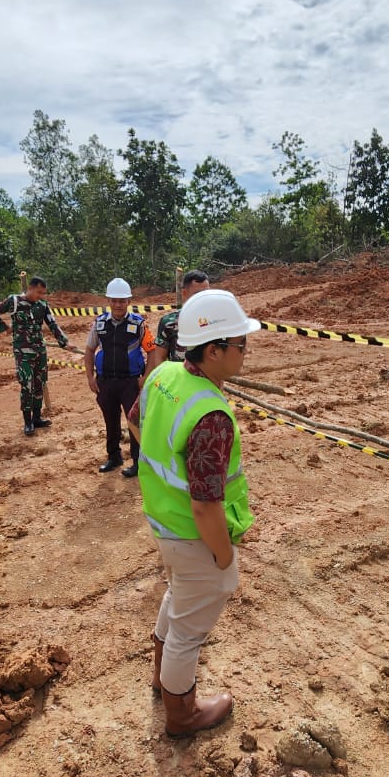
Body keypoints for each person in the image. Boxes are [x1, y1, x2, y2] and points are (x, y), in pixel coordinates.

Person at [135, 289, 260, 737]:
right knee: (190, 627)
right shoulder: (211, 414)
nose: (246, 351)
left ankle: (161, 679)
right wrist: (225, 557)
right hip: (192, 534)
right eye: (240, 343)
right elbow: (206, 505)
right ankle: (181, 714)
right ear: (214, 350)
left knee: (178, 598)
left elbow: (135, 420)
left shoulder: (163, 375)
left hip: (164, 523)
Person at [84, 277, 154, 476]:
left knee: (134, 422)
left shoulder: (139, 324)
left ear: (129, 302)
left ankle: (138, 463)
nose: (117, 304)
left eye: (122, 301)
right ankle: (114, 456)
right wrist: (90, 378)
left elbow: (153, 351)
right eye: (114, 300)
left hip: (130, 382)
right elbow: (89, 350)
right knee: (110, 420)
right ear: (108, 301)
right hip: (105, 382)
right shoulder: (99, 324)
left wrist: (145, 378)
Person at [0, 276, 68, 437]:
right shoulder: (14, 301)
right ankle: (27, 421)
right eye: (39, 292)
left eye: (43, 293)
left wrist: (64, 342)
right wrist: (4, 328)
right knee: (27, 384)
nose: (41, 296)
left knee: (39, 384)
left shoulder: (42, 305)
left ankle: (37, 418)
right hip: (23, 353)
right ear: (30, 288)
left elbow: (53, 324)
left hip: (40, 351)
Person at [147, 270, 211, 372]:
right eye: (197, 294)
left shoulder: (215, 321)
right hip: (178, 383)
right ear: (185, 293)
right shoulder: (169, 323)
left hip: (207, 383)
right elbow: (159, 358)